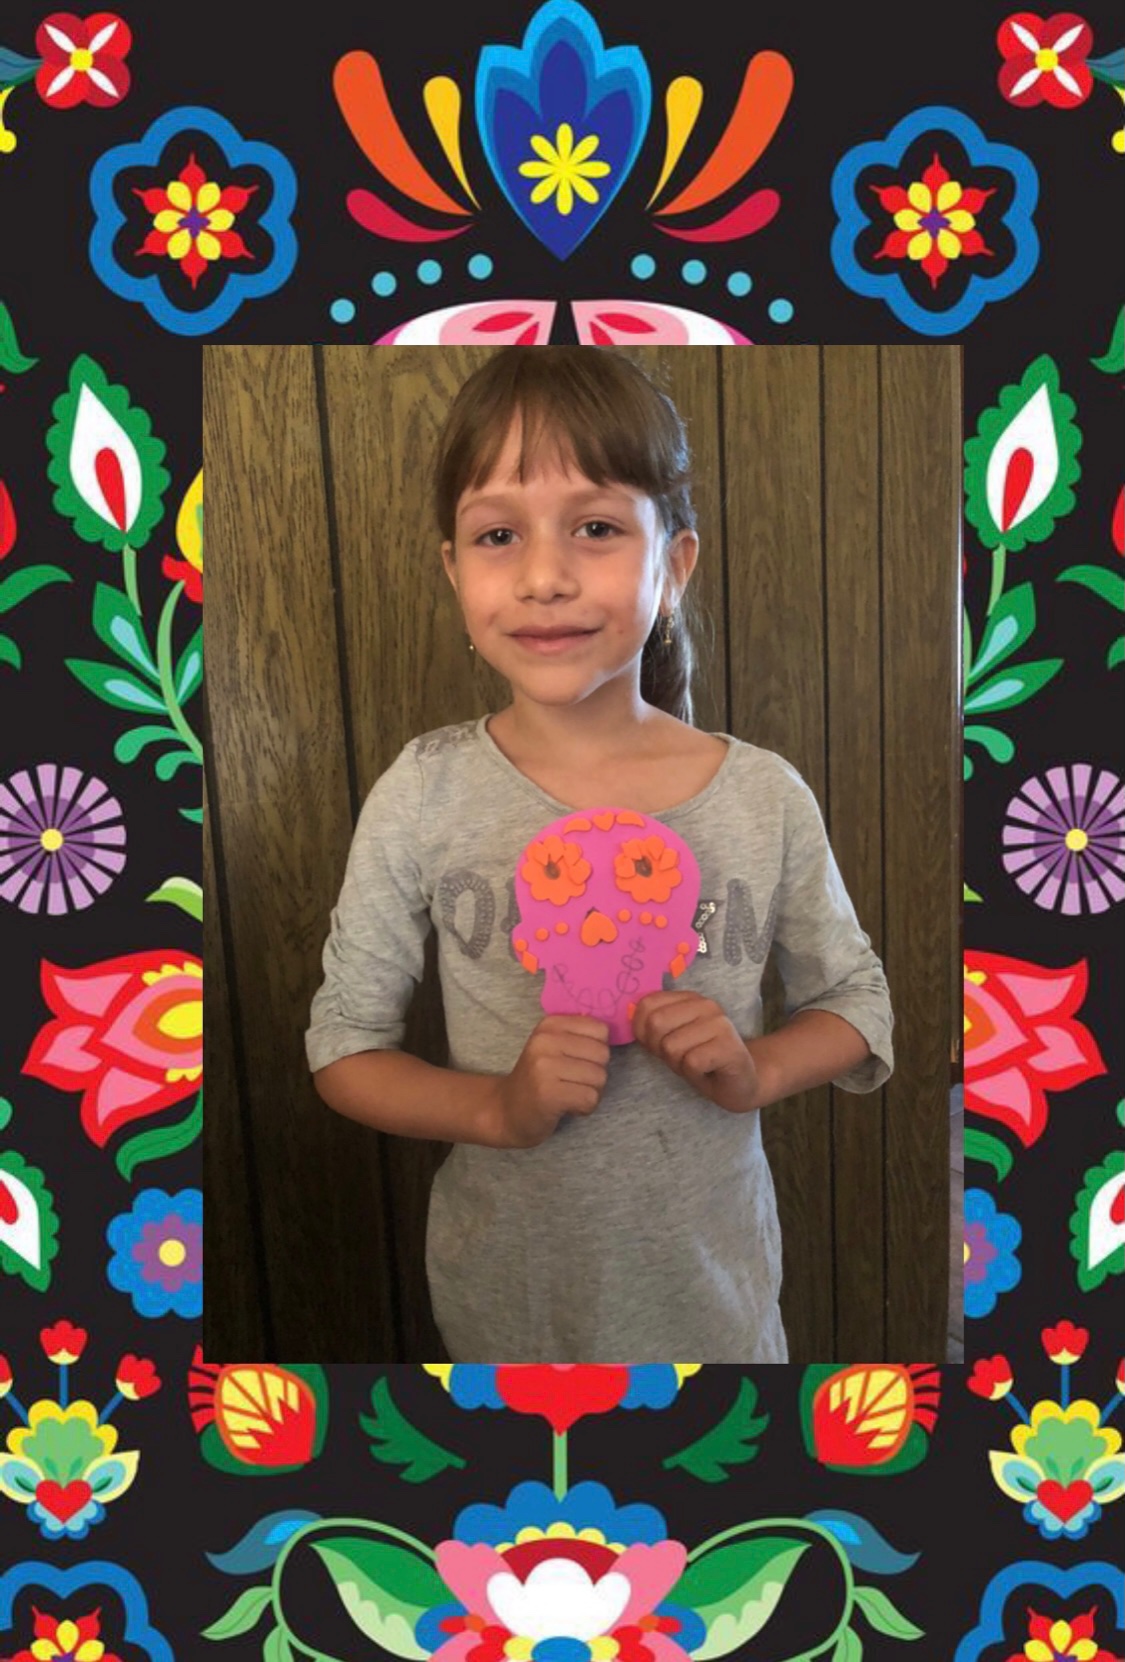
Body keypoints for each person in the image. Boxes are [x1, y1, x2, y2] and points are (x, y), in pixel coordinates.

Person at [304, 346, 894, 1363]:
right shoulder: (423, 793)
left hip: (715, 1305)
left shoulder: (762, 796)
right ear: (454, 569)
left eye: (597, 527)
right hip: (509, 1310)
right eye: (498, 534)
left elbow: (859, 1001)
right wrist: (500, 1107)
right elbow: (344, 1049)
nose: (544, 576)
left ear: (673, 565)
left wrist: (752, 1070)